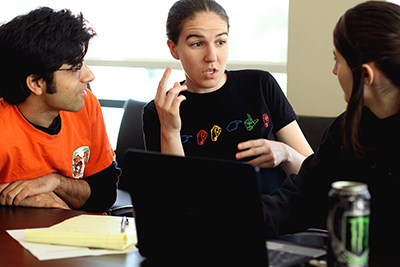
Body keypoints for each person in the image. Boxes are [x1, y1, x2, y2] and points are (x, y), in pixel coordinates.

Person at [261, 1, 400, 262]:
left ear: (366, 75)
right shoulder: (346, 130)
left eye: (338, 60)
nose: (334, 70)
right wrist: (226, 217)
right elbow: (298, 201)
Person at [143, 0, 313, 194]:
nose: (212, 56)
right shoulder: (161, 110)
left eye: (220, 42)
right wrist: (171, 132)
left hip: (275, 217)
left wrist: (286, 154)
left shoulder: (260, 84)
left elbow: (314, 174)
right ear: (173, 49)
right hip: (203, 222)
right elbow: (173, 198)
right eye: (197, 44)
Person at [0, 7, 119, 213]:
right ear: (36, 83)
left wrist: (56, 182)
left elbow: (105, 194)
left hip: (83, 236)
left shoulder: (86, 103)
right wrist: (13, 196)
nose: (89, 76)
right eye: (74, 69)